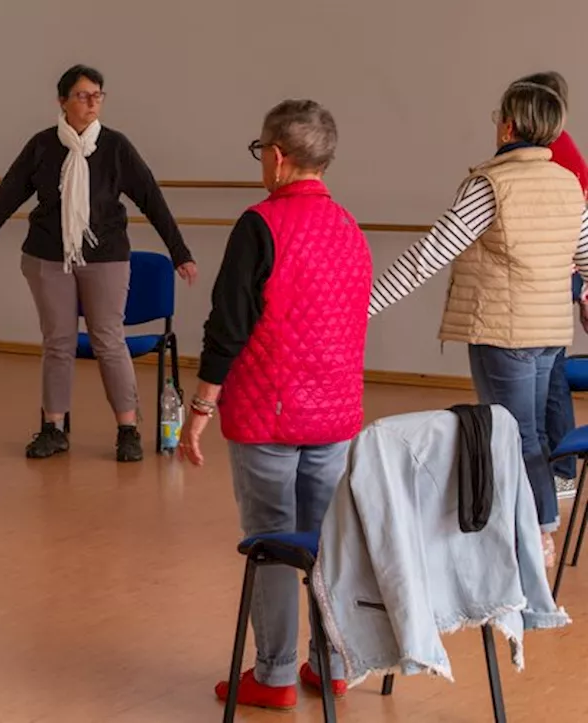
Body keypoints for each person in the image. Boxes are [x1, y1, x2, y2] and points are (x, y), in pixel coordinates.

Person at [178, 99, 372, 710]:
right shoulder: (349, 227)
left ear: (279, 157)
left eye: (262, 151)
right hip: (335, 415)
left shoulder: (259, 224)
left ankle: (276, 674)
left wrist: (201, 407)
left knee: (270, 540)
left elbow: (228, 326)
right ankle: (333, 664)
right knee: (325, 540)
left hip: (270, 415)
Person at [368, 78, 588, 567]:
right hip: (550, 332)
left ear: (508, 125)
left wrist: (361, 306)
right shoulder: (568, 183)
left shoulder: (491, 184)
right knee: (529, 434)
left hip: (502, 332)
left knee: (511, 435)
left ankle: (533, 536)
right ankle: (538, 528)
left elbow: (429, 255)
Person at [0, 64, 197, 463]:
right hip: (48, 256)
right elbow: (5, 198)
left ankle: (127, 430)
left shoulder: (115, 147)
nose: (92, 102)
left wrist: (180, 253)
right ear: (62, 101)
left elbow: (151, 198)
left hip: (106, 257)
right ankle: (53, 428)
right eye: (83, 95)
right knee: (59, 342)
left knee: (108, 340)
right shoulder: (43, 146)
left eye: (98, 95)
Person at [518, 72, 588, 498]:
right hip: (559, 273)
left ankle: (560, 468)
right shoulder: (562, 152)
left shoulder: (555, 155)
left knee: (551, 377)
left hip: (551, 274)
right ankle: (557, 467)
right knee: (550, 372)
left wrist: (579, 286)